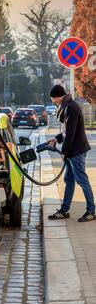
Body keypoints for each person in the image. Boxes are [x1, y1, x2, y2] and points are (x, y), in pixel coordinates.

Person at [47, 84, 95, 222]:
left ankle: (91, 211)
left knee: (82, 180)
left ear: (57, 97)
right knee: (69, 180)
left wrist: (64, 152)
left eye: (53, 99)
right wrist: (56, 139)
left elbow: (71, 134)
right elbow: (66, 131)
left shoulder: (71, 108)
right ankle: (64, 210)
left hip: (77, 152)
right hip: (74, 151)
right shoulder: (67, 106)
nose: (53, 101)